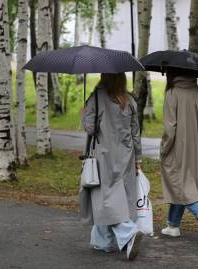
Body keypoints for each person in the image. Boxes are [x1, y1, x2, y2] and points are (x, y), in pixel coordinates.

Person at [79, 73, 143, 260]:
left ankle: (129, 233)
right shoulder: (129, 99)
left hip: (104, 156)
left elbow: (91, 129)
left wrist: (84, 115)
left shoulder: (96, 98)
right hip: (126, 155)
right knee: (118, 197)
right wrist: (138, 158)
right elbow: (135, 132)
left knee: (105, 198)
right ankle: (103, 241)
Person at [160, 68, 198, 244]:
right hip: (195, 145)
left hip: (177, 146)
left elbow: (170, 127)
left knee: (179, 182)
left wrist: (164, 148)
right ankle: (173, 225)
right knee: (184, 182)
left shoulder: (172, 92)